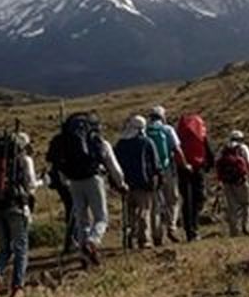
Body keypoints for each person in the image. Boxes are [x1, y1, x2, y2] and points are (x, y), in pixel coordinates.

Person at [57, 113, 126, 266]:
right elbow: (113, 166)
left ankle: (84, 255)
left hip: (74, 181)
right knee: (101, 218)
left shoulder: (68, 142)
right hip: (94, 179)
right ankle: (92, 242)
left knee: (82, 220)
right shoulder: (99, 141)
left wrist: (66, 182)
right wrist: (121, 184)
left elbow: (61, 166)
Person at [0, 133, 39, 297]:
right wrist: (43, 182)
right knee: (21, 248)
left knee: (5, 248)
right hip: (15, 207)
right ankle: (17, 287)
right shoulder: (24, 160)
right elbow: (30, 185)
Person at [113, 116, 161, 249]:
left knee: (129, 214)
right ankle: (144, 240)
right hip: (143, 183)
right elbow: (156, 164)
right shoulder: (146, 142)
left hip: (125, 184)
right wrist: (158, 179)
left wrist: (116, 183)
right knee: (143, 212)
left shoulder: (120, 144)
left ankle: (129, 238)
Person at [146, 106, 188, 244]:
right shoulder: (167, 129)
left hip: (151, 173)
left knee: (155, 205)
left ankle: (157, 235)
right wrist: (185, 165)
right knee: (173, 199)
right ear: (162, 116)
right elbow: (177, 149)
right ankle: (171, 227)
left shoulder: (145, 131)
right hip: (167, 169)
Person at [175, 113, 214, 242]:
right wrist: (209, 166)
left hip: (183, 169)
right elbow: (208, 150)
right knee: (199, 199)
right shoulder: (200, 134)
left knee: (187, 200)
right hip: (198, 168)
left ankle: (189, 230)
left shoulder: (179, 134)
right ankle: (194, 227)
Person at [214, 132, 249, 236]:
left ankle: (234, 231)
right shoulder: (243, 148)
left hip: (227, 182)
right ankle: (246, 225)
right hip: (241, 180)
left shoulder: (223, 149)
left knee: (232, 207)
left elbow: (217, 164)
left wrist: (219, 181)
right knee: (247, 204)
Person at [44, 129, 75, 254]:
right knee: (75, 210)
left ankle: (70, 241)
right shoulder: (74, 140)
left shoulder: (57, 140)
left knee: (70, 209)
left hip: (58, 179)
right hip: (70, 179)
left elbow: (48, 157)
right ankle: (72, 240)